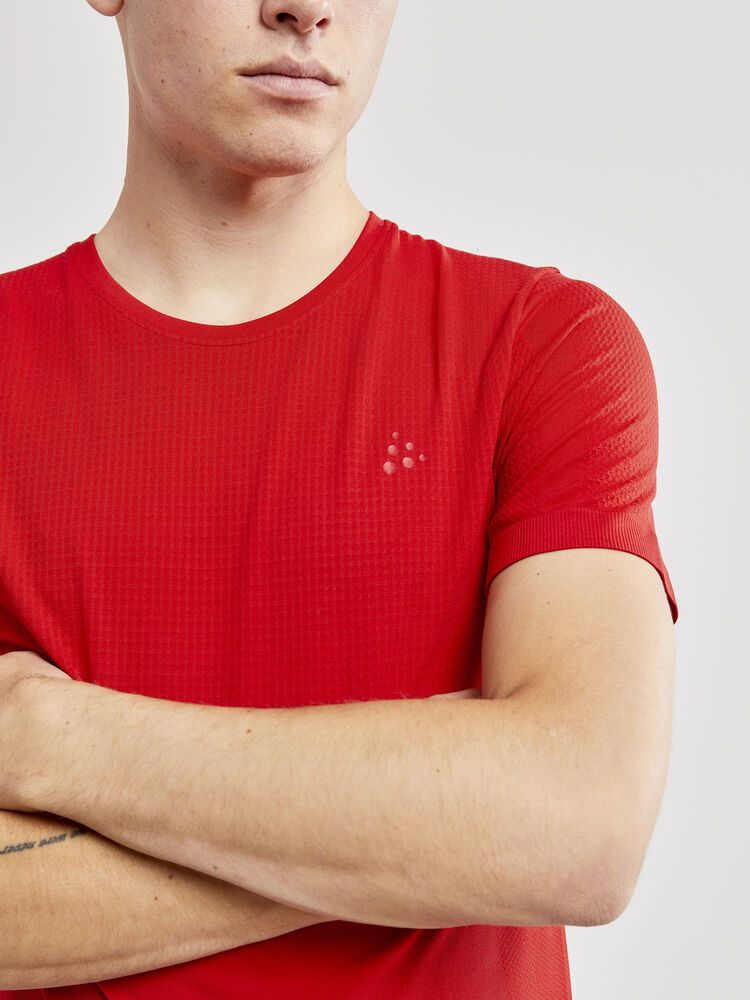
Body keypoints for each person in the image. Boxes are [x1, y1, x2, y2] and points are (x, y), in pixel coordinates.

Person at [0, 1, 678, 998]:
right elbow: (531, 822)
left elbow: (580, 826)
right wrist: (441, 828)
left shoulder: (542, 349)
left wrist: (50, 737)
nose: (306, 7)